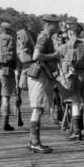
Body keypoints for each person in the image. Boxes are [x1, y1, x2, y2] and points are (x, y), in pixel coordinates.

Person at [25, 14, 64, 153]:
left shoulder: (46, 37)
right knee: (38, 109)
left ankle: (33, 141)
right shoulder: (44, 37)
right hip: (39, 76)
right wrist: (54, 55)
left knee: (39, 109)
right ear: (49, 25)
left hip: (41, 75)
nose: (58, 26)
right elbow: (36, 56)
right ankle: (35, 142)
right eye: (56, 24)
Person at [59, 20, 84, 141]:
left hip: (74, 75)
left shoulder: (67, 45)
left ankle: (77, 132)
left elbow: (59, 58)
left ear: (71, 32)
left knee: (76, 103)